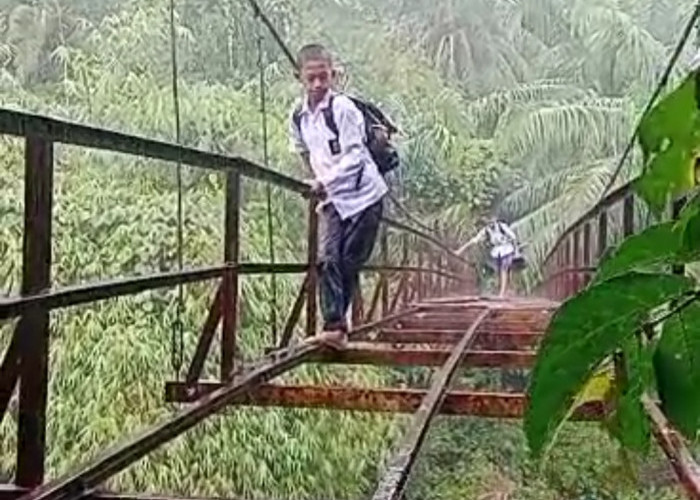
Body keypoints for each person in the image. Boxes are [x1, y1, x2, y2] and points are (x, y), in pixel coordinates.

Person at [289, 43, 388, 349]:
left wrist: (323, 181)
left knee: (347, 262)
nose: (318, 84)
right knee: (327, 260)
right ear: (299, 78)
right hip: (334, 200)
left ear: (333, 74)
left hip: (365, 197)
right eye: (311, 78)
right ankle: (335, 327)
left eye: (323, 77)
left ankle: (337, 328)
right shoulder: (298, 116)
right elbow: (303, 149)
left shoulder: (343, 109)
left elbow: (356, 156)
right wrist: (317, 183)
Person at [456, 217, 519, 297]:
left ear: (495, 221)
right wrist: (460, 250)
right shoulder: (486, 230)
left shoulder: (502, 227)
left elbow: (513, 237)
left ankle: (502, 293)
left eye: (492, 222)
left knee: (504, 269)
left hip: (507, 249)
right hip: (497, 251)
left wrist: (515, 250)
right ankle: (505, 289)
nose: (491, 224)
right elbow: (474, 240)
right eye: (489, 223)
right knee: (500, 271)